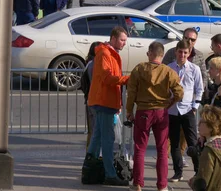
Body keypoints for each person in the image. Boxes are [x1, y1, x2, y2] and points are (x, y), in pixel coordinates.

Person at [126, 42, 184, 191]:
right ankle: (162, 186)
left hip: (143, 111)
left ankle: (138, 184)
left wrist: (129, 111)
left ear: (150, 53)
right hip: (161, 112)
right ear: (162, 55)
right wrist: (169, 104)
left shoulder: (139, 69)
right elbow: (179, 92)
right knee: (162, 150)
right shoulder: (168, 71)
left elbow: (131, 92)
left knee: (140, 148)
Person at [85, 26, 130, 186]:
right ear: (113, 38)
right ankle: (109, 174)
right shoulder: (105, 53)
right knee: (107, 138)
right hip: (104, 101)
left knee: (97, 137)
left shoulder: (108, 53)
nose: (125, 43)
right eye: (122, 40)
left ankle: (90, 167)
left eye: (125, 40)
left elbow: (109, 78)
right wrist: (126, 79)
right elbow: (108, 78)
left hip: (104, 100)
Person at [167, 40, 203, 183]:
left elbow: (199, 89)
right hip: (173, 110)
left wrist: (195, 106)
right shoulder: (169, 68)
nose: (182, 55)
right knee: (175, 143)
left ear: (189, 53)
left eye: (185, 52)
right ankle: (178, 172)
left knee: (192, 142)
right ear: (176, 52)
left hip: (188, 109)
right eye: (180, 52)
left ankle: (198, 171)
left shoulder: (194, 69)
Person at [188, 105, 221, 191]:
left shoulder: (209, 150)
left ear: (211, 127)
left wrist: (193, 182)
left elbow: (202, 181)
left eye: (202, 121)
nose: (198, 123)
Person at [83, 41, 102, 149]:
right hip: (94, 101)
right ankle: (92, 156)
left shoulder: (89, 63)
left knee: (92, 131)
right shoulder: (94, 65)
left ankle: (89, 155)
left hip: (89, 100)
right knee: (95, 131)